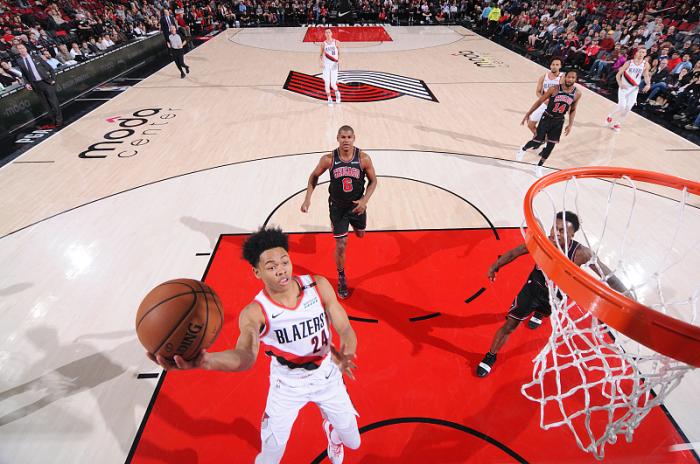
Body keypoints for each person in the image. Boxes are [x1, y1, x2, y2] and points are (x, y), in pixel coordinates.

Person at [148, 227, 361, 464]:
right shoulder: (255, 313)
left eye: (285, 262)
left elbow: (345, 329)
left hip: (327, 375)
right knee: (270, 456)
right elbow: (246, 355)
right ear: (257, 272)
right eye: (271, 267)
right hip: (287, 386)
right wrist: (206, 361)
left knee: (354, 442)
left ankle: (333, 433)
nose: (281, 270)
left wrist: (347, 353)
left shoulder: (317, 286)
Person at [476, 211, 628, 377]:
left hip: (555, 296)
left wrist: (629, 299)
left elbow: (610, 277)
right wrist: (495, 266)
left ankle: (539, 314)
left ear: (572, 235)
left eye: (562, 231)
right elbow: (515, 252)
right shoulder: (542, 242)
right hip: (533, 289)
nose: (556, 233)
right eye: (554, 228)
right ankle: (491, 355)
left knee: (544, 312)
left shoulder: (581, 253)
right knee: (510, 325)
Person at [301, 126, 378, 299]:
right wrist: (307, 199)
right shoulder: (329, 159)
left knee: (360, 234)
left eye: (349, 137)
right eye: (343, 137)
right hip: (337, 207)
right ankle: (341, 276)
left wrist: (364, 201)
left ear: (354, 138)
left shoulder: (363, 159)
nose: (346, 140)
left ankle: (346, 226)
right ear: (337, 138)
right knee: (342, 243)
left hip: (357, 206)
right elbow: (314, 176)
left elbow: (373, 181)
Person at [516, 69, 581, 177]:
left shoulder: (577, 93)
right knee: (537, 141)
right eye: (569, 77)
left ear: (576, 79)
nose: (570, 79)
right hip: (547, 117)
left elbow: (573, 109)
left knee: (551, 145)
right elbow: (540, 101)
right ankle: (523, 149)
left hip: (559, 121)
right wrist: (528, 113)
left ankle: (539, 166)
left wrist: (570, 124)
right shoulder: (554, 89)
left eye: (573, 77)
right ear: (565, 77)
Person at [15, 43, 62, 127]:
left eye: (22, 48)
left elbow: (50, 68)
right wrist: (27, 83)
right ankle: (53, 120)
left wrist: (53, 79)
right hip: (36, 85)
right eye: (19, 49)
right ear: (18, 51)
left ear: (26, 48)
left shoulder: (36, 57)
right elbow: (24, 74)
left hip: (46, 83)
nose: (21, 49)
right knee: (45, 105)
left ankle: (59, 120)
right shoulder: (19, 61)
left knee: (53, 102)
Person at [606, 47, 651, 132]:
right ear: (636, 53)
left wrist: (648, 84)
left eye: (643, 52)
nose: (641, 54)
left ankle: (617, 123)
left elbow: (646, 75)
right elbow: (618, 75)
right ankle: (610, 115)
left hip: (634, 88)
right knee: (622, 106)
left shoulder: (646, 64)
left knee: (628, 107)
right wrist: (620, 84)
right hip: (624, 87)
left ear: (645, 54)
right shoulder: (629, 63)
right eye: (640, 52)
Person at [526, 57, 563, 135]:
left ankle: (543, 139)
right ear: (550, 65)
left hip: (555, 107)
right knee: (530, 124)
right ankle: (540, 139)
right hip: (545, 104)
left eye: (557, 65)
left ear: (560, 66)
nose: (554, 66)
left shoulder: (562, 77)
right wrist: (543, 99)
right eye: (553, 64)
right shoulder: (543, 77)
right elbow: (538, 92)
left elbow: (564, 93)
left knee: (547, 129)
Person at [320, 28, 341, 106]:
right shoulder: (323, 44)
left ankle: (337, 93)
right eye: (326, 32)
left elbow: (339, 53)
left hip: (334, 64)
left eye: (329, 32)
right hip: (326, 65)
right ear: (324, 34)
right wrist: (321, 62)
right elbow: (321, 54)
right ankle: (329, 99)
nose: (328, 33)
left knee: (333, 84)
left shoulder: (336, 42)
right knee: (327, 83)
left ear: (331, 33)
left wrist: (338, 61)